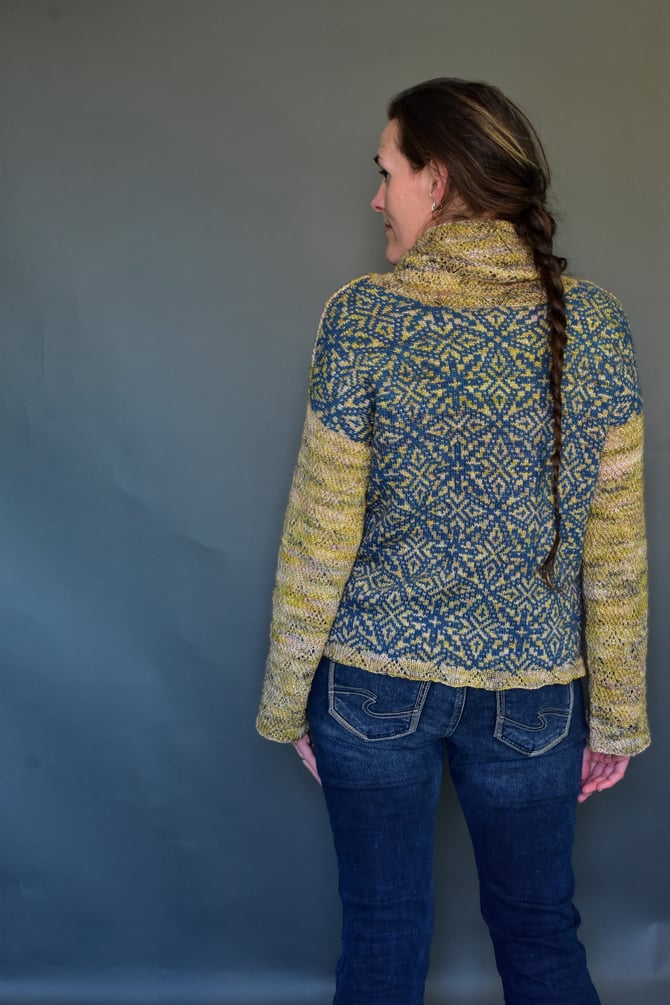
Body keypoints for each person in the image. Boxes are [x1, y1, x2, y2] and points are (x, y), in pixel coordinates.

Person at [256, 78, 649, 1005]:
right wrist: (617, 717)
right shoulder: (596, 325)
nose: (375, 198)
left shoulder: (362, 316)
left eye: (386, 172)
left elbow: (319, 533)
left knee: (381, 927)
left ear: (436, 179)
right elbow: (616, 554)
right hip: (535, 698)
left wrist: (287, 701)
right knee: (541, 929)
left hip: (370, 689)